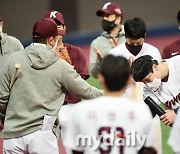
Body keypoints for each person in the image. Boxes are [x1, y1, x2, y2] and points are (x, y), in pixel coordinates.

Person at [0, 18, 102, 154]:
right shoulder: (60, 66)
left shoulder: (14, 59)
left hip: (13, 135)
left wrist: (4, 117)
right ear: (51, 40)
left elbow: (2, 96)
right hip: (42, 135)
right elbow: (86, 91)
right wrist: (113, 94)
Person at [62, 55, 157, 154]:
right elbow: (148, 151)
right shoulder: (141, 112)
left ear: (100, 78)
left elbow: (76, 151)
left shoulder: (80, 111)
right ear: (128, 80)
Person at [43, 10, 90, 104]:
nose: (55, 30)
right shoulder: (39, 53)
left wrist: (67, 69)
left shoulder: (76, 52)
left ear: (64, 28)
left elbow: (80, 84)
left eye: (58, 26)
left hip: (71, 105)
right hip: (47, 106)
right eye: (51, 26)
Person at [131, 55, 180, 126]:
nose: (147, 85)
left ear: (155, 67)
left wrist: (176, 113)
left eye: (147, 80)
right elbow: (149, 112)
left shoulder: (178, 63)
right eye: (144, 82)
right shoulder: (147, 89)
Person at [89, 2, 125, 78]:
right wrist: (100, 61)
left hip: (129, 87)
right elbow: (95, 75)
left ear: (118, 19)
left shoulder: (130, 37)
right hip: (108, 89)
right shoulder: (96, 43)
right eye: (102, 16)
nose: (104, 19)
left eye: (107, 16)